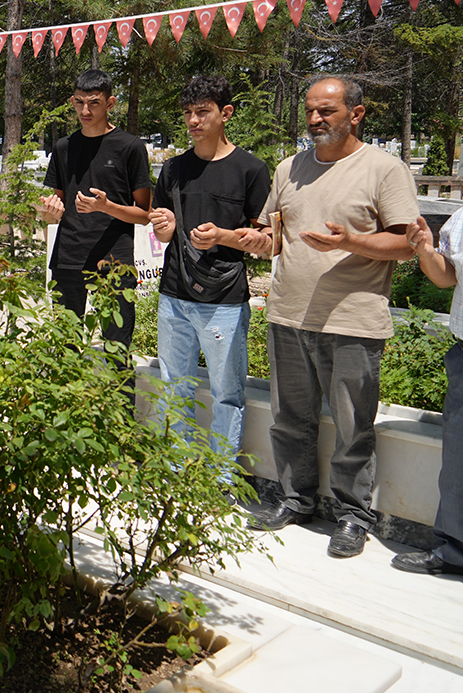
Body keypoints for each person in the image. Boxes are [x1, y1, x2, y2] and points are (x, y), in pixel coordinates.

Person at [247, 77, 418, 559]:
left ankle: (352, 516)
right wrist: (241, 239)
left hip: (352, 320)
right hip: (287, 313)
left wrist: (350, 242)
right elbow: (273, 237)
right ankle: (295, 499)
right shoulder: (290, 168)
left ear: (356, 114)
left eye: (327, 111)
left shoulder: (384, 169)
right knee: (289, 419)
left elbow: (407, 244)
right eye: (310, 111)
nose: (316, 119)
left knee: (351, 425)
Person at [147, 76, 272, 481]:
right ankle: (178, 474)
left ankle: (219, 480)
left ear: (225, 113)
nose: (193, 121)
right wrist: (163, 227)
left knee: (227, 394)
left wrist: (224, 237)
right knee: (174, 387)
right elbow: (164, 230)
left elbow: (265, 238)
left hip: (224, 300)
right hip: (174, 294)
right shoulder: (174, 169)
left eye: (203, 112)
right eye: (188, 113)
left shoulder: (250, 169)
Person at [38, 69, 152, 348]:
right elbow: (55, 207)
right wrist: (47, 212)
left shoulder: (130, 147)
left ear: (110, 103)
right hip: (68, 257)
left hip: (114, 262)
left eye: (94, 103)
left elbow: (145, 214)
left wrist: (107, 206)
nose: (85, 110)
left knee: (116, 348)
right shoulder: (64, 147)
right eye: (79, 102)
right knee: (65, 348)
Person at [390, 209, 463, 575]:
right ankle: (455, 551)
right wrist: (426, 251)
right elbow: (446, 277)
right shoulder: (462, 219)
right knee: (459, 457)